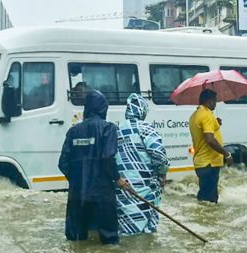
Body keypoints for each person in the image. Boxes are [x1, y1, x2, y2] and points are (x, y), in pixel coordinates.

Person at [58, 90, 130, 244]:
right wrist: (118, 179)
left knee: (75, 241)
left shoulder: (73, 131)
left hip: (77, 195)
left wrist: (77, 179)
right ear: (103, 109)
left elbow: (62, 163)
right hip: (102, 194)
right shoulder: (108, 128)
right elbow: (107, 157)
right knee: (109, 242)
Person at [115, 93, 169, 236]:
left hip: (123, 188)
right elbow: (159, 156)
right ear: (143, 111)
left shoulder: (115, 129)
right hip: (145, 188)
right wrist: (163, 173)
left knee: (126, 229)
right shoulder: (146, 129)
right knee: (147, 229)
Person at [189, 88, 231, 203]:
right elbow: (209, 139)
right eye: (215, 101)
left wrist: (215, 123)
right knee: (210, 200)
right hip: (209, 163)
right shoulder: (207, 115)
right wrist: (226, 154)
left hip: (201, 163)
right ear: (210, 100)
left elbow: (203, 133)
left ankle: (202, 220)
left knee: (204, 198)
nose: (216, 103)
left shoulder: (195, 115)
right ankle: (210, 220)